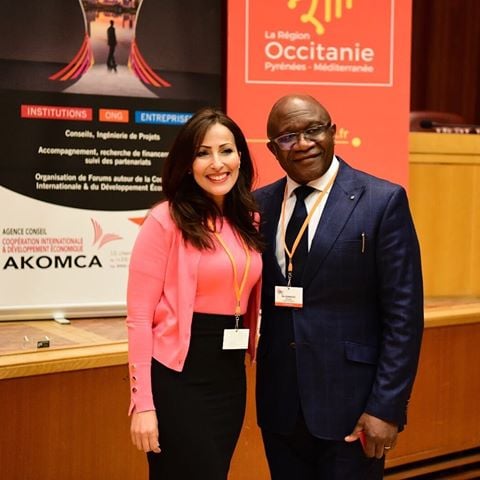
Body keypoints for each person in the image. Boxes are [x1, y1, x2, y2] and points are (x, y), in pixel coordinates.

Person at [254, 94, 424, 479]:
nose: (303, 143)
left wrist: (386, 407)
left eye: (313, 130)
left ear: (332, 132)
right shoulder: (258, 206)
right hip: (281, 406)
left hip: (355, 408)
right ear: (272, 149)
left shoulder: (382, 201)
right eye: (288, 137)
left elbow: (404, 317)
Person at [126, 107, 263, 479]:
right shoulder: (165, 220)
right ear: (188, 164)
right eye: (203, 153)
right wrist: (143, 404)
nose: (217, 163)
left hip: (229, 375)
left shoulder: (249, 220)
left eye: (226, 150)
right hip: (178, 377)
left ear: (240, 157)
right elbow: (139, 320)